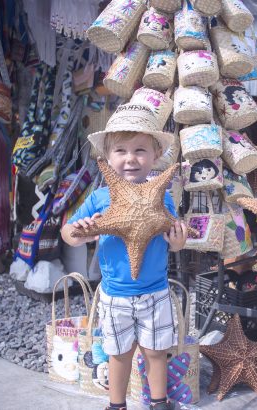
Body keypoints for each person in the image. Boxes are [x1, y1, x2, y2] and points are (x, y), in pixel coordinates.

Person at [60, 104, 186, 410]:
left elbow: (172, 235)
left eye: (140, 150)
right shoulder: (100, 198)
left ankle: (159, 402)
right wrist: (81, 232)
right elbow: (68, 231)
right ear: (107, 157)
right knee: (118, 354)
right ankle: (116, 405)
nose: (130, 158)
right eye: (121, 151)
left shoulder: (163, 196)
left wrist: (178, 243)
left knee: (156, 352)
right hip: (115, 294)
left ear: (156, 156)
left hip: (155, 291)